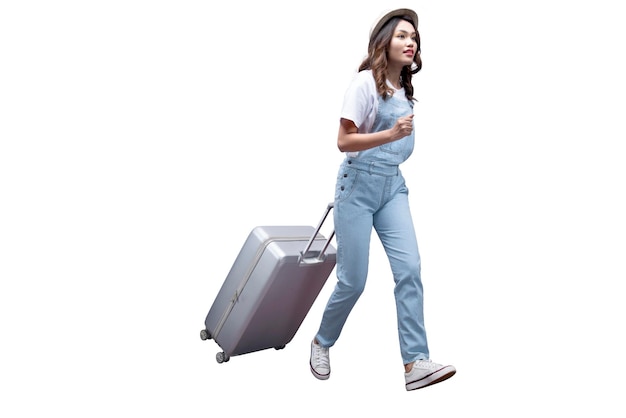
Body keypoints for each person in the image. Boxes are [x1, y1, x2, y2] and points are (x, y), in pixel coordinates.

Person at [309, 8, 456, 391]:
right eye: (403, 36)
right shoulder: (362, 85)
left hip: (393, 187)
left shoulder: (405, 92)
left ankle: (415, 363)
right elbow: (343, 142)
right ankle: (322, 342)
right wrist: (389, 135)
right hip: (357, 187)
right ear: (384, 42)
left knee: (410, 270)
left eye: (414, 38)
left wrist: (395, 140)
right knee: (353, 281)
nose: (411, 43)